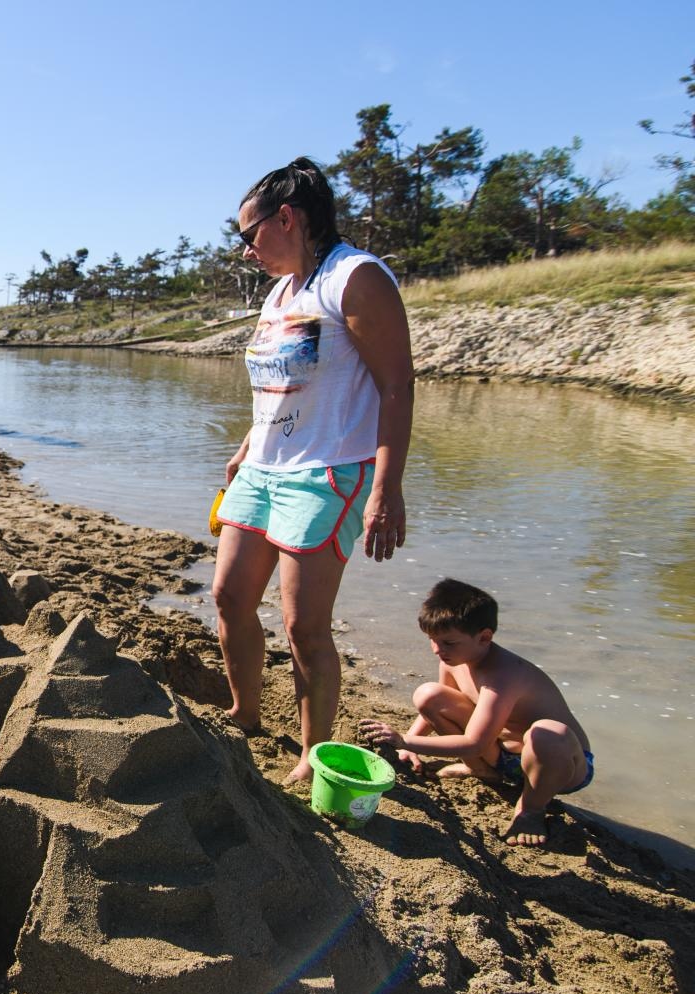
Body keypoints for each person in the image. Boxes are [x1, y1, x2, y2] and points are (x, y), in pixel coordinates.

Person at [211, 156, 415, 784]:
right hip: (263, 468)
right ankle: (245, 713)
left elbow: (397, 386)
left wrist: (386, 488)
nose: (246, 250)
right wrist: (248, 445)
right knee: (229, 597)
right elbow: (282, 386)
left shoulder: (355, 277)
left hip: (327, 473)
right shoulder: (282, 291)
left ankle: (311, 754)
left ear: (287, 218)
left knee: (303, 625)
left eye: (249, 235)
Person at [359, 579, 592, 847]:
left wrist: (404, 740)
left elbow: (475, 743)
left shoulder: (504, 675)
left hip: (558, 766)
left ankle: (531, 809)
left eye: (448, 642)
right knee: (429, 694)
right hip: (501, 757)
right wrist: (411, 742)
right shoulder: (453, 659)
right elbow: (438, 708)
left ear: (484, 637)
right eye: (432, 640)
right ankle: (480, 770)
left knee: (548, 734)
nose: (437, 650)